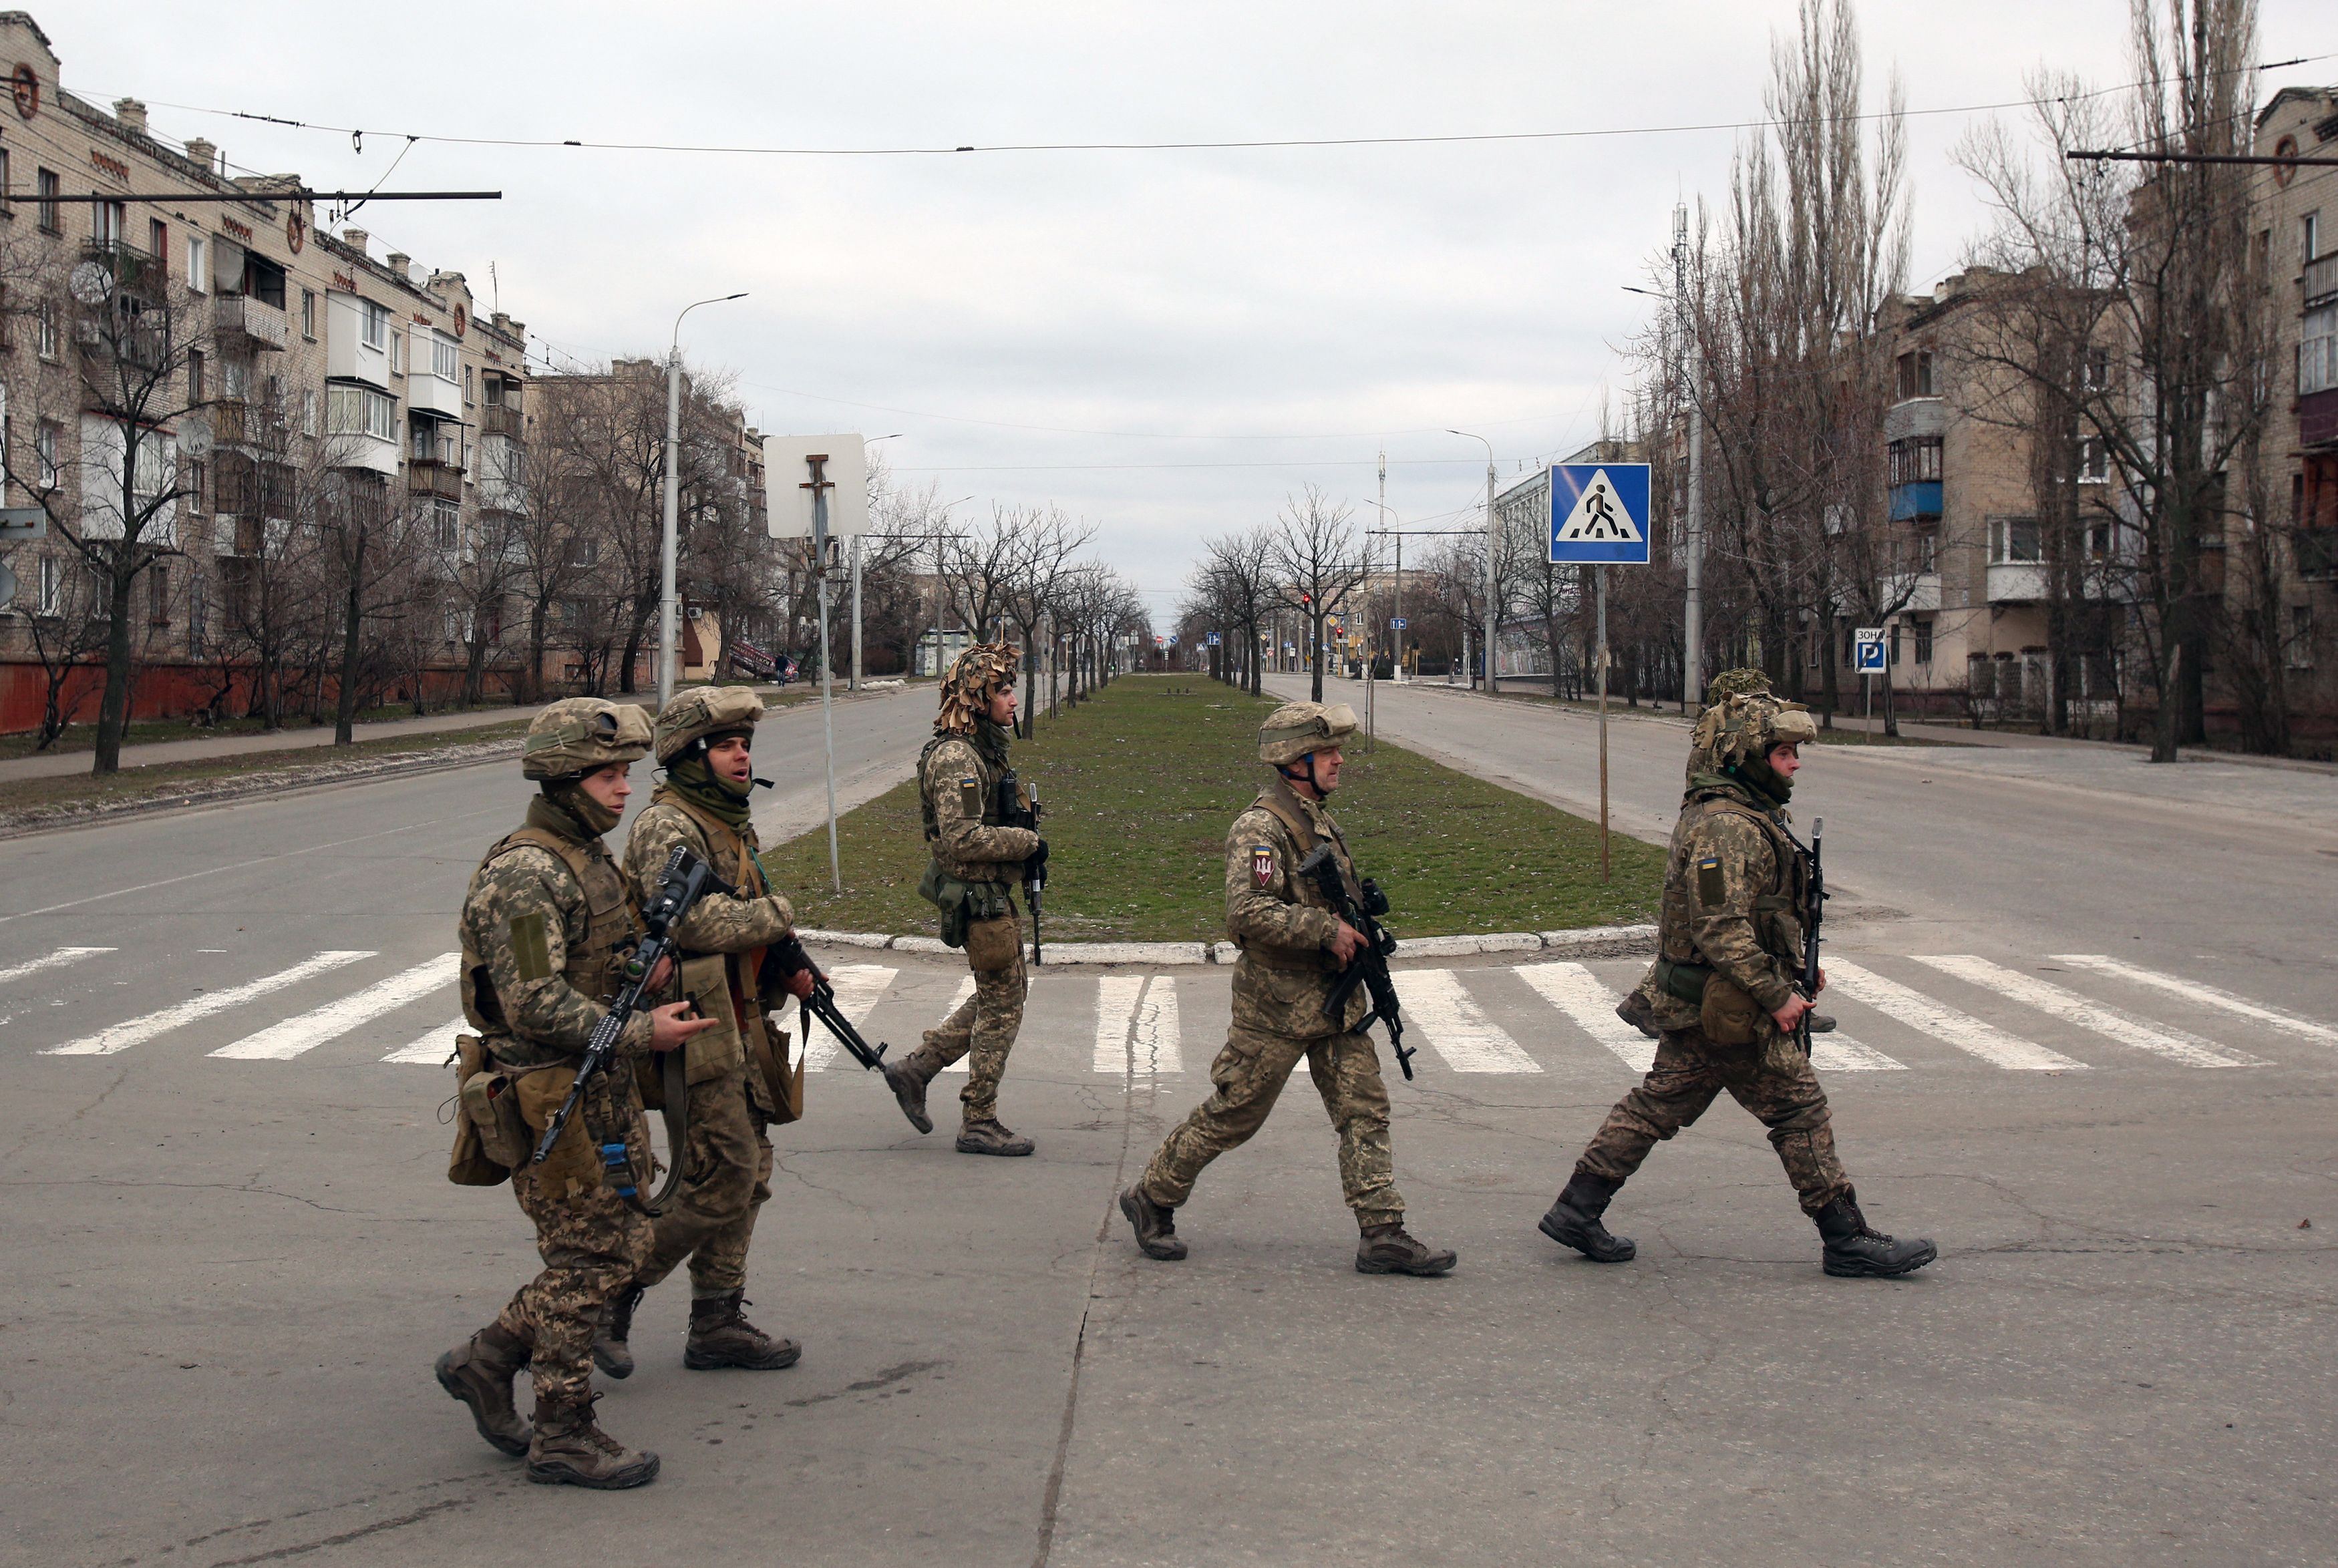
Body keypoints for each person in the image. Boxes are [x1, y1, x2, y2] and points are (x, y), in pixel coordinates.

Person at [1538, 687, 1936, 1279]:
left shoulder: (1742, 817)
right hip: (1726, 1007)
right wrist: (1776, 996)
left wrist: (1795, 966)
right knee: (1799, 1110)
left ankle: (1577, 1209)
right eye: (1783, 753)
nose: (1795, 763)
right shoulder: (1727, 827)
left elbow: (1756, 915)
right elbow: (1721, 928)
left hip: (1710, 1001)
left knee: (1657, 1106)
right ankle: (1846, 1239)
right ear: (1745, 757)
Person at [435, 698, 719, 1489]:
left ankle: (487, 1360)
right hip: (550, 1093)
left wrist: (645, 971)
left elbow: (595, 964)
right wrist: (640, 1033)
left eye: (625, 772)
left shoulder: (587, 855)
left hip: (599, 1086)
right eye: (606, 775)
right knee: (585, 1262)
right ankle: (562, 1430)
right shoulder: (527, 873)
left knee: (618, 1247)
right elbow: (533, 1000)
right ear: (562, 780)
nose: (623, 789)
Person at [1119, 701, 1454, 1276]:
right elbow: (1246, 912)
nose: (1339, 761)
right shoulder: (1262, 827)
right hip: (1276, 1004)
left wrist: (1358, 928)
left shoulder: (1316, 818)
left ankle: (1382, 1231)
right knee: (1235, 1113)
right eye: (1327, 753)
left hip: (1333, 1000)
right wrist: (1325, 929)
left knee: (1363, 1107)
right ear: (1293, 760)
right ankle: (1152, 1196)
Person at [593, 686, 818, 1382]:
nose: (742, 754)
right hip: (691, 1025)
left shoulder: (723, 821)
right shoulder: (669, 825)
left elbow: (734, 907)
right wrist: (778, 913)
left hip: (738, 1016)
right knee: (722, 1176)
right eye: (726, 745)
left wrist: (787, 957)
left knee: (749, 1172)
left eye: (745, 743)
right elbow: (695, 922)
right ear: (692, 757)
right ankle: (612, 1293)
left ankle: (716, 1318)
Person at [882, 642, 1044, 1155]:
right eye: (1003, 689)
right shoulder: (958, 758)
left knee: (1004, 995)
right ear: (977, 697)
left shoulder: (980, 750)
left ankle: (917, 1068)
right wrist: (1028, 843)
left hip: (991, 892)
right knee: (1003, 1005)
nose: (1013, 699)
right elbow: (962, 838)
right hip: (977, 899)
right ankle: (979, 1119)